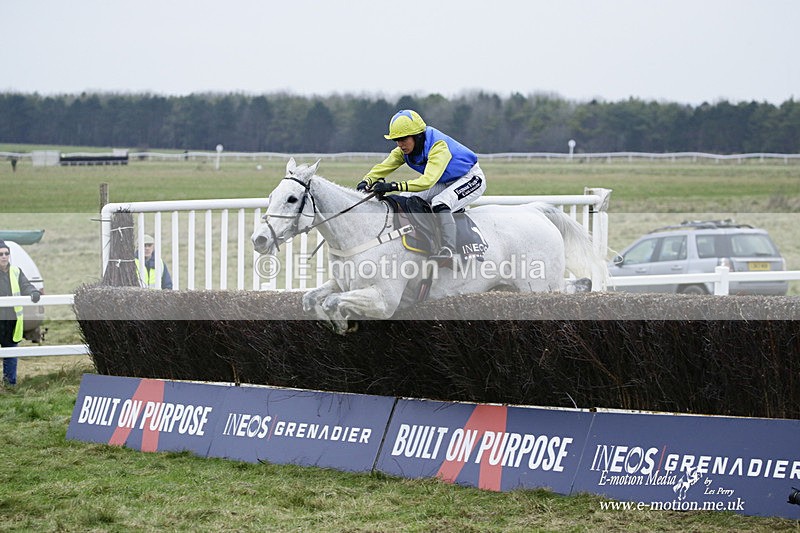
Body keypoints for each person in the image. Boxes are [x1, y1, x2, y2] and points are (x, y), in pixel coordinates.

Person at [357, 109, 487, 262]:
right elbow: (383, 167)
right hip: (444, 180)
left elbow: (427, 182)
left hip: (470, 178)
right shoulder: (402, 151)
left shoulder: (438, 146)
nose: (400, 144)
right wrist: (367, 181)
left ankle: (448, 250)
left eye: (404, 139)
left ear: (417, 136)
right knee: (405, 199)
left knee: (441, 202)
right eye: (396, 140)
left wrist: (391, 186)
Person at [0, 240, 41, 386]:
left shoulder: (16, 271)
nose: (4, 257)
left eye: (6, 253)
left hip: (11, 323)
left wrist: (34, 292)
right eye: (0, 254)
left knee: (11, 355)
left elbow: (26, 285)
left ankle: (9, 386)